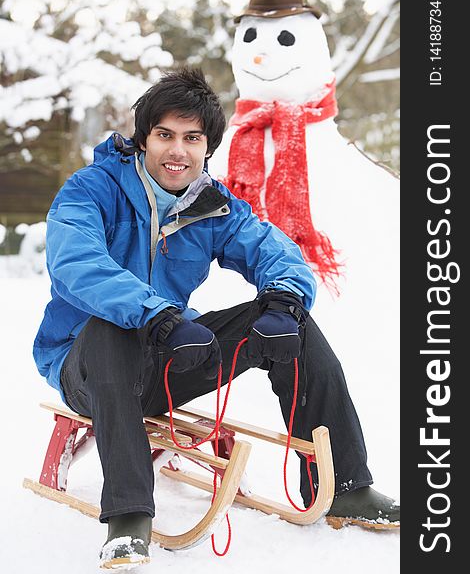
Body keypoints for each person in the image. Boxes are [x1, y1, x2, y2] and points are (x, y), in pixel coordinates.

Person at [33, 68, 399, 568]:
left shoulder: (213, 205)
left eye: (192, 138)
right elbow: (77, 264)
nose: (177, 151)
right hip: (86, 366)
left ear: (208, 146)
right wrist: (158, 316)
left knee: (292, 322)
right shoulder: (91, 190)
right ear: (143, 140)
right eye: (164, 135)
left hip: (172, 353)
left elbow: (276, 252)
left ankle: (347, 487)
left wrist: (283, 303)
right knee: (111, 327)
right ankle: (128, 517)